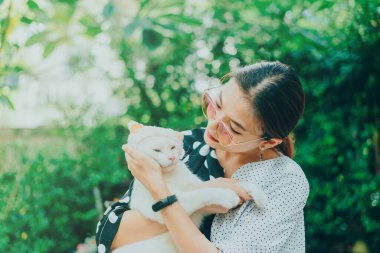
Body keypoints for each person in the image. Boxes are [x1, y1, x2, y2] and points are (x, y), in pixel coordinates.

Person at [95, 61, 310, 253]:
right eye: (216, 104)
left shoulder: (284, 181)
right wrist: (204, 193)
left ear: (269, 142)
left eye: (232, 129)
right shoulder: (184, 147)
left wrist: (162, 193)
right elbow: (109, 234)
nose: (213, 125)